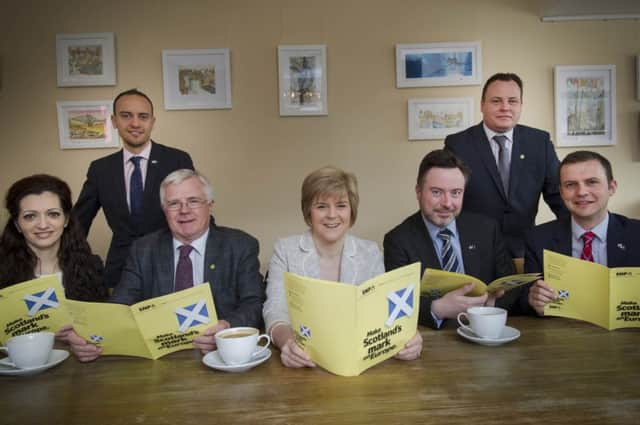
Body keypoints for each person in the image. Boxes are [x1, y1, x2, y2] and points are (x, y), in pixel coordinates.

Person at [68, 169, 265, 361]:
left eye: (193, 201)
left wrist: (227, 328)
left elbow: (253, 303)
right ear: (164, 210)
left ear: (210, 205)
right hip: (161, 359)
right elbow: (121, 304)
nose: (184, 210)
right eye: (174, 203)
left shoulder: (240, 245)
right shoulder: (143, 249)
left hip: (220, 354)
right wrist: (93, 337)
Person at [263, 166, 423, 368]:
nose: (332, 215)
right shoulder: (285, 250)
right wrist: (286, 343)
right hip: (304, 364)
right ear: (308, 212)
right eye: (321, 206)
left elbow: (383, 314)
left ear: (351, 211)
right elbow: (274, 310)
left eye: (341, 205)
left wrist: (408, 337)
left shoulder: (370, 252)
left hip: (358, 365)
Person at [73, 88, 194, 288]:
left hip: (170, 265)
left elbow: (196, 212)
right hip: (121, 270)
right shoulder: (100, 169)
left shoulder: (177, 159)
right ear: (113, 121)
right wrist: (66, 264)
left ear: (152, 122)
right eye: (126, 116)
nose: (135, 123)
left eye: (143, 116)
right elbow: (78, 223)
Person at [384, 150, 515, 330]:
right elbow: (396, 302)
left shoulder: (487, 229)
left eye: (456, 193)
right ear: (418, 192)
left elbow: (511, 286)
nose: (447, 203)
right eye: (437, 192)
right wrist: (437, 308)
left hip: (485, 333)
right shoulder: (397, 240)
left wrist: (490, 306)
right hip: (430, 341)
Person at [444, 73, 567, 258]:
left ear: (521, 105)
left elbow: (560, 197)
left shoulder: (539, 142)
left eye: (512, 101)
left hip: (525, 251)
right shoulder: (458, 145)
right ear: (482, 105)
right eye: (496, 101)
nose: (505, 107)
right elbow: (449, 200)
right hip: (473, 250)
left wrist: (573, 236)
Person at [523, 151, 640, 315]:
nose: (581, 192)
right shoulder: (538, 239)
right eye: (570, 185)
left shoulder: (636, 234)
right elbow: (525, 303)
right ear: (562, 192)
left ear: (611, 187)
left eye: (592, 182)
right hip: (564, 333)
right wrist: (534, 301)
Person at [0, 174, 106, 303]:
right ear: (17, 224)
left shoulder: (93, 266)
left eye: (53, 214)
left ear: (66, 219)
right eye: (30, 216)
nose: (43, 225)